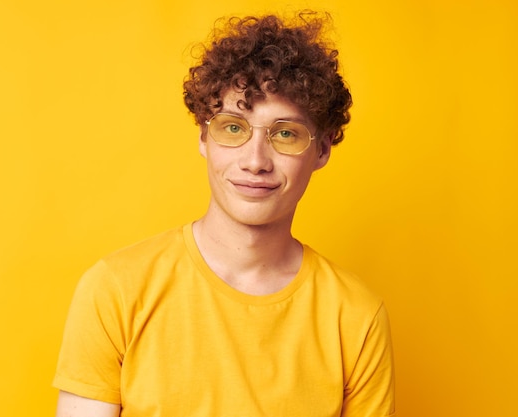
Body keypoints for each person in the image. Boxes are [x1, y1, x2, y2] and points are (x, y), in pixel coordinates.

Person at [53, 11, 396, 417]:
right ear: (203, 137)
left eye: (285, 133)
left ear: (321, 150)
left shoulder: (356, 316)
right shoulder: (115, 289)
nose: (255, 161)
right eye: (233, 128)